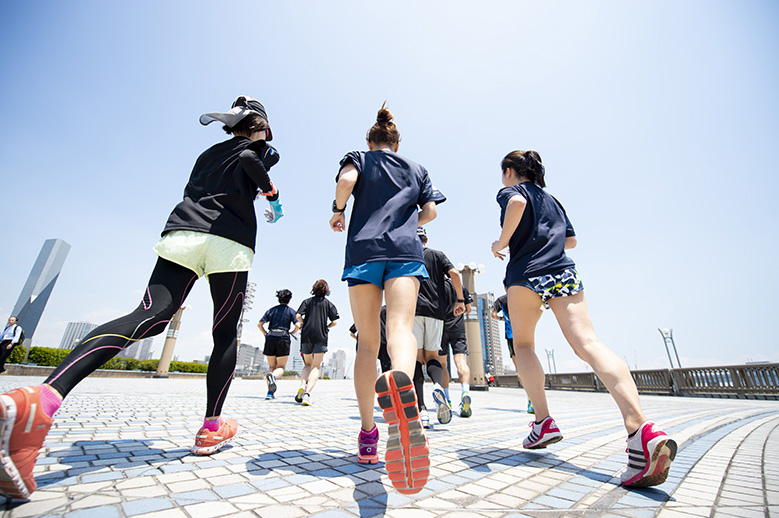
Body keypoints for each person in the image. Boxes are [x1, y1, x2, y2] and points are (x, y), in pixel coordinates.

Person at [0, 95, 284, 499]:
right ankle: (210, 427)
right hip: (228, 244)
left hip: (183, 234)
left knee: (149, 315)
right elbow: (255, 161)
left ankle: (40, 400)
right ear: (259, 127)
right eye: (266, 130)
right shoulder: (255, 148)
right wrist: (272, 194)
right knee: (224, 335)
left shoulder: (208, 153)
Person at [491, 149, 676, 488]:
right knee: (588, 343)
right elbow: (571, 240)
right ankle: (640, 428)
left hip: (526, 274)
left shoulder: (510, 191)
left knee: (525, 344)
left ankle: (543, 422)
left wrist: (500, 242)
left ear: (509, 171)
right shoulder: (553, 200)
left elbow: (516, 205)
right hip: (563, 271)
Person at [330, 103, 444, 494]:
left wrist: (338, 210)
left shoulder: (358, 157)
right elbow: (430, 211)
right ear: (398, 143)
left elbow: (346, 181)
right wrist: (407, 220)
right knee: (400, 326)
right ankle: (401, 380)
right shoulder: (417, 168)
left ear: (370, 141)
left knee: (366, 342)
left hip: (364, 250)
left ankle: (367, 436)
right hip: (405, 250)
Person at [413, 228, 465, 428]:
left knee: (417, 360)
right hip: (436, 313)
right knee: (433, 357)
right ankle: (437, 386)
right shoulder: (437, 255)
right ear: (427, 239)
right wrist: (459, 299)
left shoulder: (408, 254)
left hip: (414, 311)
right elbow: (454, 273)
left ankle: (422, 411)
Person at [295, 279, 339, 405]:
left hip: (306, 335)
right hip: (321, 336)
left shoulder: (307, 301)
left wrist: (305, 323)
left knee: (307, 364)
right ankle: (307, 394)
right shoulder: (328, 304)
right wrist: (327, 326)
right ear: (326, 290)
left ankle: (303, 385)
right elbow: (335, 321)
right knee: (316, 367)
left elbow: (298, 316)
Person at [492, 294, 533, 414]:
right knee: (530, 364)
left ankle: (530, 399)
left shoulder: (501, 300)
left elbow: (493, 315)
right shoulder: (521, 294)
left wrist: (502, 319)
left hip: (511, 335)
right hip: (525, 332)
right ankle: (538, 396)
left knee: (519, 369)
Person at [438, 279, 473, 417]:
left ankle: (447, 399)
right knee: (461, 362)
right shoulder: (460, 287)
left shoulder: (437, 286)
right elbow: (468, 308)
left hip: (441, 328)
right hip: (458, 329)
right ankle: (465, 392)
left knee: (442, 364)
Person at [258, 289, 300, 399]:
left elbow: (259, 324)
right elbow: (298, 325)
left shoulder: (271, 310)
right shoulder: (291, 311)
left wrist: (265, 334)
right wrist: (292, 332)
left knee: (271, 366)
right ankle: (273, 377)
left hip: (270, 338)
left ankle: (270, 393)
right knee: (280, 367)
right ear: (289, 299)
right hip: (283, 338)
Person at [350, 306, 392, 373]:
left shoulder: (370, 312)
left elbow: (352, 333)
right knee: (386, 366)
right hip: (384, 340)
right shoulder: (390, 311)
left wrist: (360, 339)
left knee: (365, 365)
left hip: (367, 342)